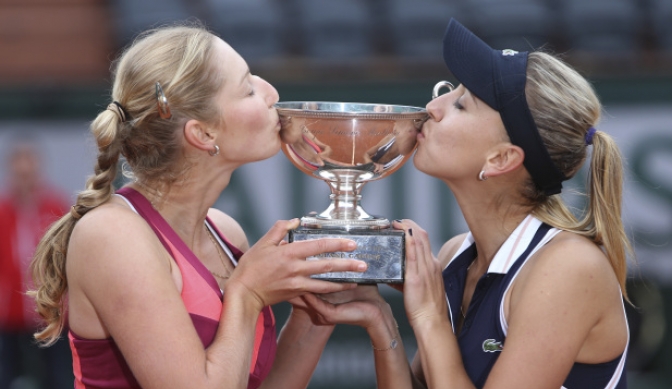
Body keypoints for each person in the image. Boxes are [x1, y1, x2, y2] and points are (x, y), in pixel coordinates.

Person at [27, 23, 368, 389]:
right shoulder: (112, 234)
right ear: (203, 134)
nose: (272, 93)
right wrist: (248, 294)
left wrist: (317, 311)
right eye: (248, 88)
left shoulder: (226, 232)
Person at [302, 18, 633, 389]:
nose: (432, 107)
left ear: (501, 159)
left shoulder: (569, 267)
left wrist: (430, 316)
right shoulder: (455, 254)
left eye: (460, 104)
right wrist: (382, 324)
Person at [0, 138, 73, 388]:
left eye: (29, 172)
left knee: (58, 377)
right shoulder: (2, 211)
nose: (25, 179)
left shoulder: (55, 207)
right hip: (8, 315)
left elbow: (66, 255)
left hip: (50, 314)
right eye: (20, 173)